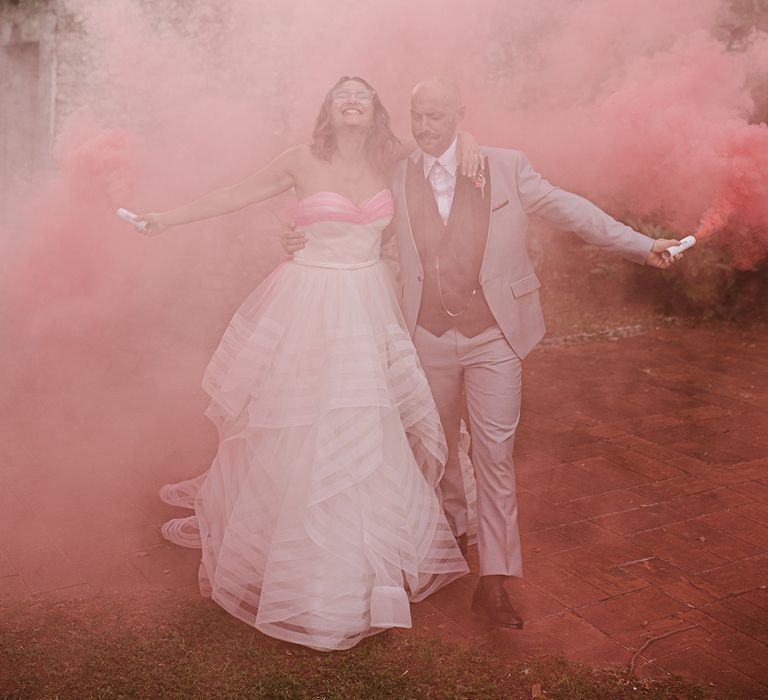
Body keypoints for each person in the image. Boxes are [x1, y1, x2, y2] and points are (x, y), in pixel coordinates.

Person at [282, 76, 683, 630]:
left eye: (437, 117)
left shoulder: (506, 166)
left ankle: (494, 583)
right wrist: (300, 236)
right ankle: (448, 543)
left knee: (493, 456)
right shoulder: (396, 173)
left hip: (496, 335)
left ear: (461, 116)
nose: (424, 128)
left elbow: (570, 210)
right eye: (418, 117)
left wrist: (642, 245)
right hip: (426, 335)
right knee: (438, 448)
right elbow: (352, 217)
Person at [133, 76, 485, 651]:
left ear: (376, 111)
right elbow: (234, 194)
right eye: (341, 92)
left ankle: (366, 560)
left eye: (363, 93)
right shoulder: (300, 159)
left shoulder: (395, 159)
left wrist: (466, 138)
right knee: (305, 419)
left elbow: (444, 150)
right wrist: (168, 217)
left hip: (370, 300)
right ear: (328, 108)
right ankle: (299, 557)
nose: (352, 99)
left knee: (368, 421)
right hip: (309, 300)